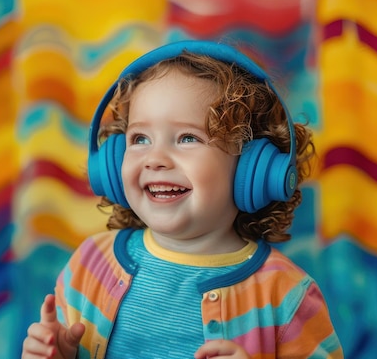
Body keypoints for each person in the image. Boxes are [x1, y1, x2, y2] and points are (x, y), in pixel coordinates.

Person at [22, 40, 343, 359]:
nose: (155, 159)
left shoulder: (285, 295)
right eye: (140, 139)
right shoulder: (90, 265)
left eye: (187, 137)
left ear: (252, 168)